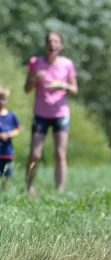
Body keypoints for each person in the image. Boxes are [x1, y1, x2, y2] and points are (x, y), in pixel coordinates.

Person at [24, 32, 78, 195]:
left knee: (60, 154)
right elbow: (26, 89)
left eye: (56, 42)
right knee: (35, 154)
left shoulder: (67, 64)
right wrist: (35, 80)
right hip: (40, 114)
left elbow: (74, 89)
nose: (52, 44)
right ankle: (28, 187)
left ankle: (59, 191)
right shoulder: (35, 62)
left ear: (60, 46)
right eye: (49, 41)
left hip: (60, 114)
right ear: (45, 44)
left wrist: (63, 85)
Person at [0, 86, 20, 190]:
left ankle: (5, 188)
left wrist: (9, 134)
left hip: (7, 150)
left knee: (7, 172)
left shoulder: (12, 115)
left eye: (2, 98)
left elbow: (17, 129)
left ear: (7, 100)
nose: (0, 101)